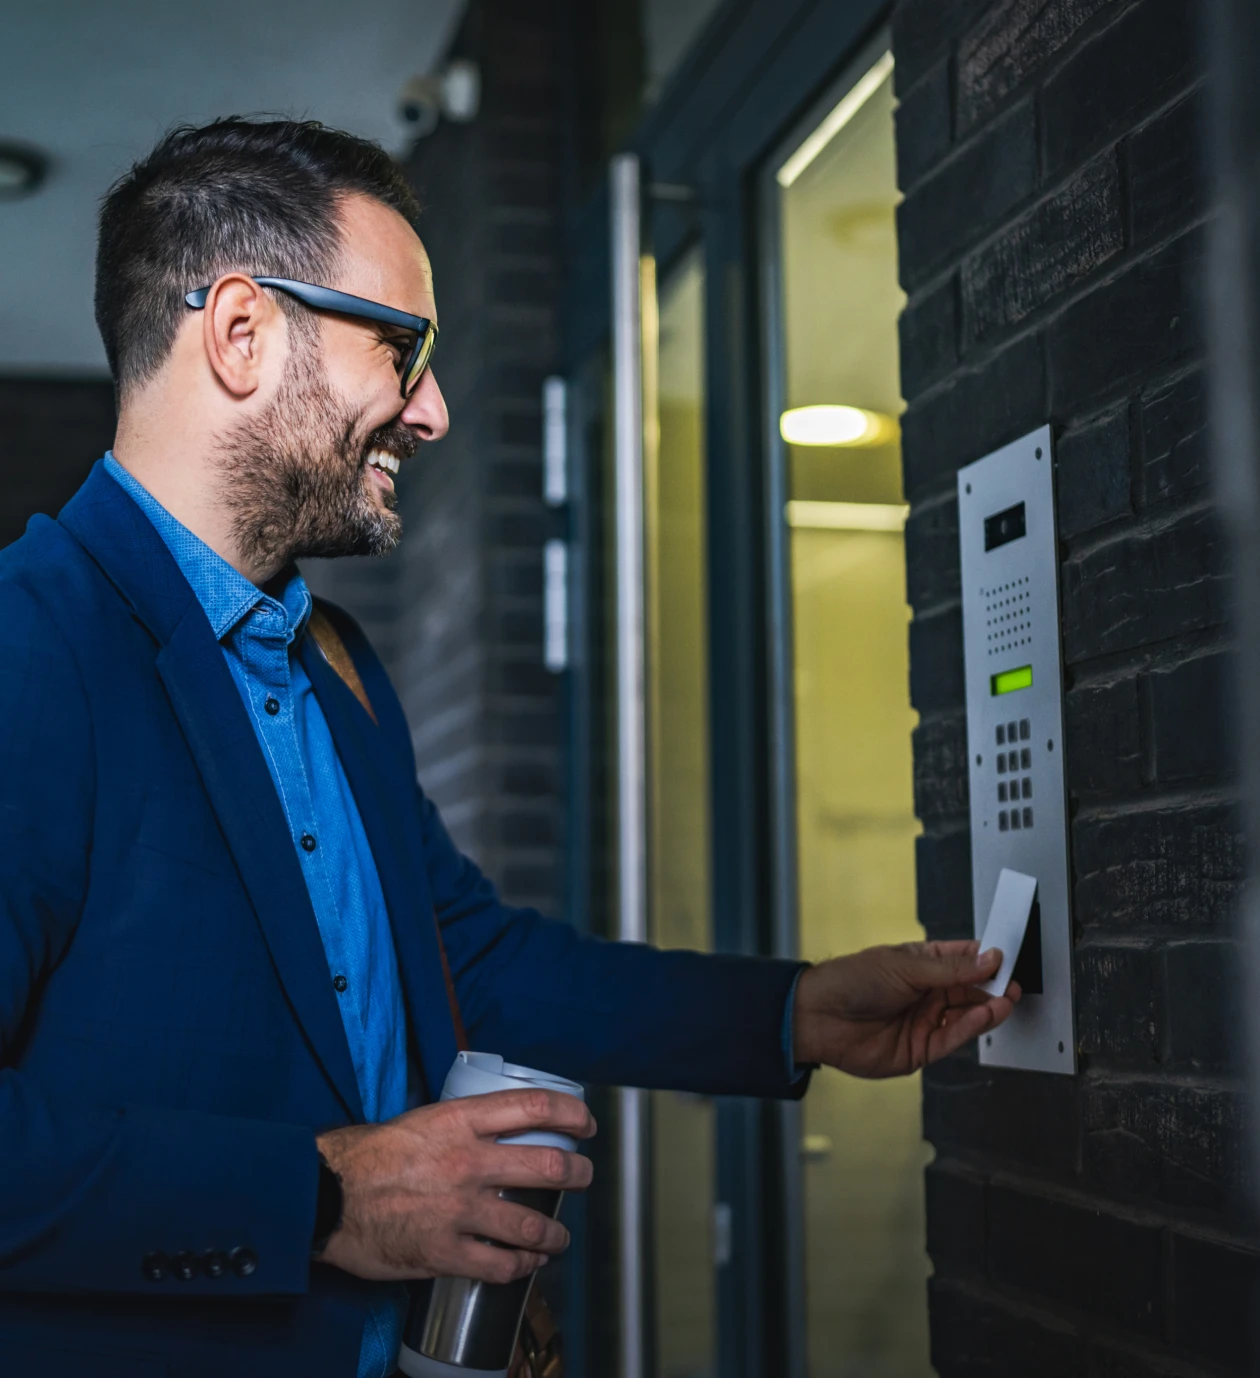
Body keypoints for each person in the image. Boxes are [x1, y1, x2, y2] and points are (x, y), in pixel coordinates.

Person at [0, 118, 1018, 1378]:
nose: (431, 410)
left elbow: (466, 958)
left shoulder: (335, 665)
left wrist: (794, 1012)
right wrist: (323, 1198)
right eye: (402, 348)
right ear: (242, 333)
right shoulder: (28, 645)